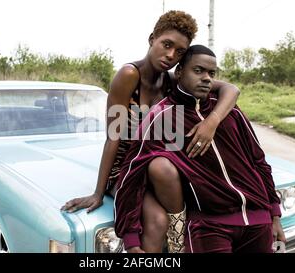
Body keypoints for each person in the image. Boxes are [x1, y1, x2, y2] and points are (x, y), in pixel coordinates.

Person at [61, 11, 240, 253]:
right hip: (127, 168)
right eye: (167, 45)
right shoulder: (128, 75)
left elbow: (230, 89)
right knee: (156, 222)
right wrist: (98, 192)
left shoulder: (172, 81)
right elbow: (113, 137)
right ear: (151, 39)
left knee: (204, 207)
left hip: (160, 165)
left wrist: (212, 121)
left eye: (179, 52)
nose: (170, 55)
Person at [114, 45, 286, 253]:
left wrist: (274, 214)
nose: (206, 78)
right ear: (179, 73)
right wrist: (131, 238)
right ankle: (176, 239)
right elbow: (132, 174)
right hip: (210, 225)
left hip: (258, 219)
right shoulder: (163, 117)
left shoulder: (229, 112)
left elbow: (258, 161)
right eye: (198, 71)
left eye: (211, 73)